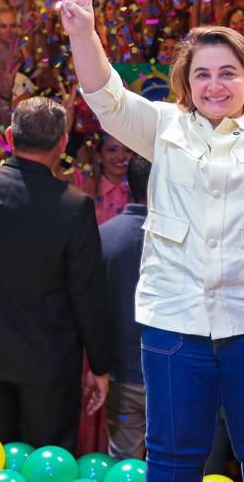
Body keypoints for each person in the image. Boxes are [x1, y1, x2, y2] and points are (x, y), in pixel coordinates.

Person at [59, 0, 244, 482]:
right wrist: (83, 33)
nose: (214, 84)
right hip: (174, 323)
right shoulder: (163, 127)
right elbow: (107, 98)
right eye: (202, 74)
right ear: (185, 82)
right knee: (172, 458)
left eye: (227, 72)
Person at [0, 96, 112, 450]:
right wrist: (100, 365)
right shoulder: (73, 205)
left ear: (8, 136)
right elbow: (88, 295)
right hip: (46, 366)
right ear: (62, 143)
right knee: (43, 466)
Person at [98, 155, 151, 459]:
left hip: (121, 371)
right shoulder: (188, 237)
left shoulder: (105, 235)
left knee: (124, 466)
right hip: (175, 372)